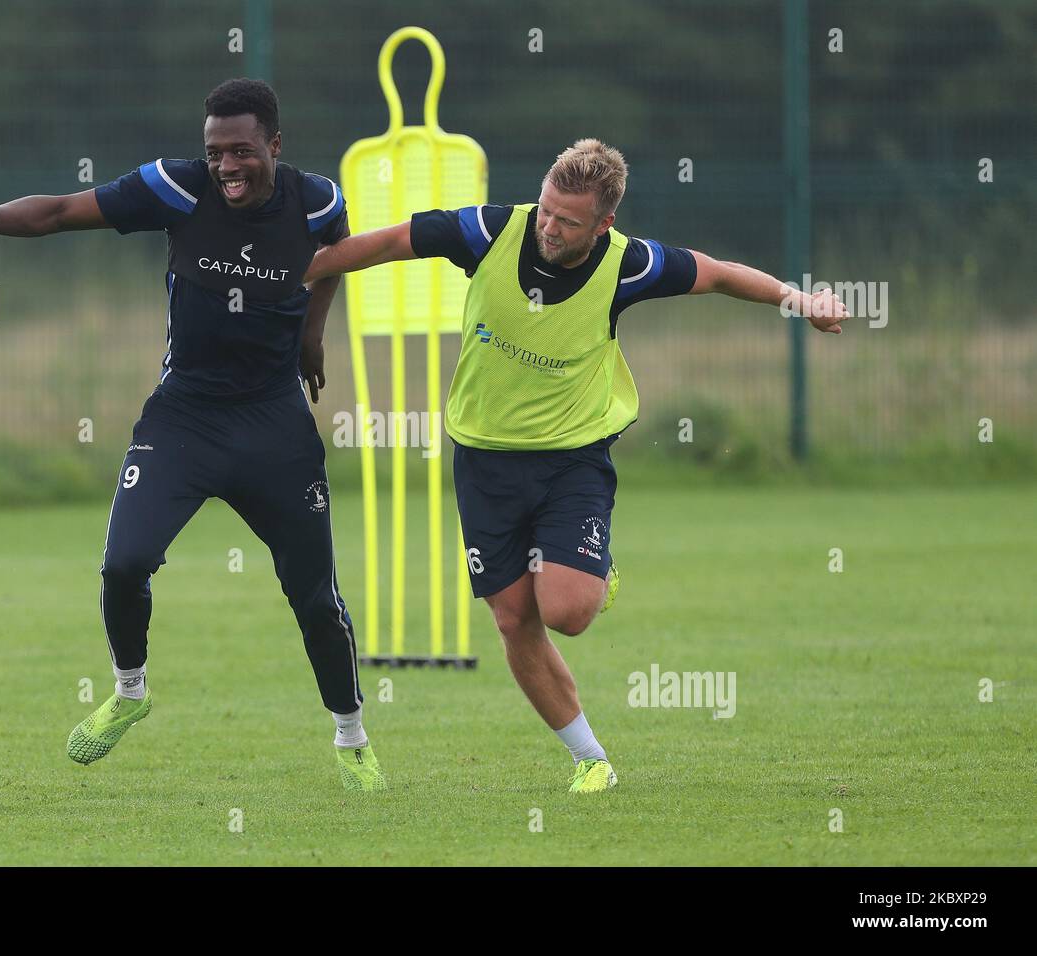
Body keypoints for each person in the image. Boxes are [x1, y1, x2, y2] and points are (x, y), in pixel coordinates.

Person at [303, 138, 847, 792]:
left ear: (604, 223)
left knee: (566, 610)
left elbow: (722, 273)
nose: (549, 227)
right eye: (547, 211)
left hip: (571, 461)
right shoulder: (490, 230)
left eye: (568, 220)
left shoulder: (632, 265)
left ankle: (594, 568)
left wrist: (800, 301)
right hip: (483, 460)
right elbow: (390, 241)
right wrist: (296, 273)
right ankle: (592, 759)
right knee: (512, 619)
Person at [0, 78, 384, 791]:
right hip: (184, 418)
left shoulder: (316, 198)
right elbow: (57, 213)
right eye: (215, 152)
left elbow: (339, 249)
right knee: (123, 564)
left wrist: (314, 333)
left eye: (242, 151)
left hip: (275, 427)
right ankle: (130, 692)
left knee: (315, 595)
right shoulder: (176, 187)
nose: (227, 166)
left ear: (275, 146)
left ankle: (351, 736)